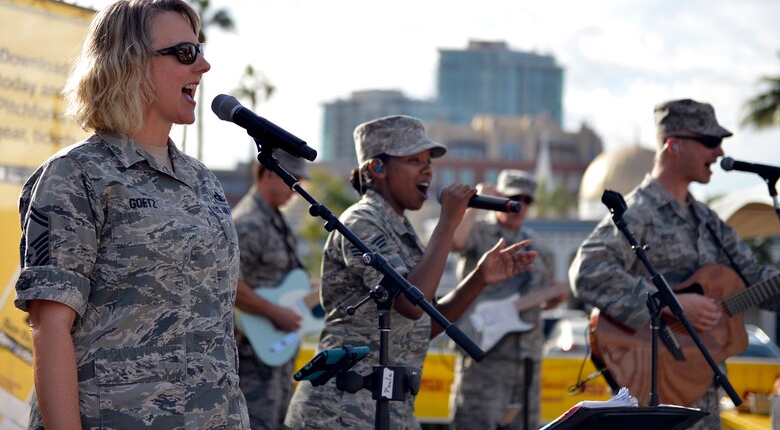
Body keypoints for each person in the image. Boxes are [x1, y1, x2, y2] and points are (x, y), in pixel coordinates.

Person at [15, 0, 250, 429]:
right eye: (185, 53)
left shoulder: (203, 181)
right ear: (129, 64)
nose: (203, 67)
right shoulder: (75, 175)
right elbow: (50, 330)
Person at [284, 115, 537, 429]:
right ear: (377, 168)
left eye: (428, 161)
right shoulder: (361, 222)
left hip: (389, 408)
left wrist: (479, 278)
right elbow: (409, 304)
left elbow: (422, 324)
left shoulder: (400, 229)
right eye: (414, 160)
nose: (428, 169)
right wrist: (448, 223)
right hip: (341, 411)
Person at [568, 98, 780, 430]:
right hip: (655, 398)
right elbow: (587, 271)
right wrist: (672, 304)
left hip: (705, 391)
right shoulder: (639, 212)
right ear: (674, 145)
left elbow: (755, 280)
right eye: (710, 142)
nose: (719, 152)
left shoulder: (709, 220)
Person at [449, 169, 567, 430]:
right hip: (483, 354)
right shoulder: (478, 232)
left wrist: (554, 300)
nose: (521, 205)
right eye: (515, 198)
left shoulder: (539, 247)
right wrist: (478, 202)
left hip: (526, 359)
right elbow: (455, 241)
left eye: (528, 200)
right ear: (500, 197)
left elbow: (541, 303)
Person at [233, 151, 312, 429]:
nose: (296, 188)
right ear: (268, 173)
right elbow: (230, 283)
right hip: (253, 355)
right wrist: (273, 312)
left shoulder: (276, 220)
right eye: (291, 179)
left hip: (275, 353)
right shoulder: (249, 222)